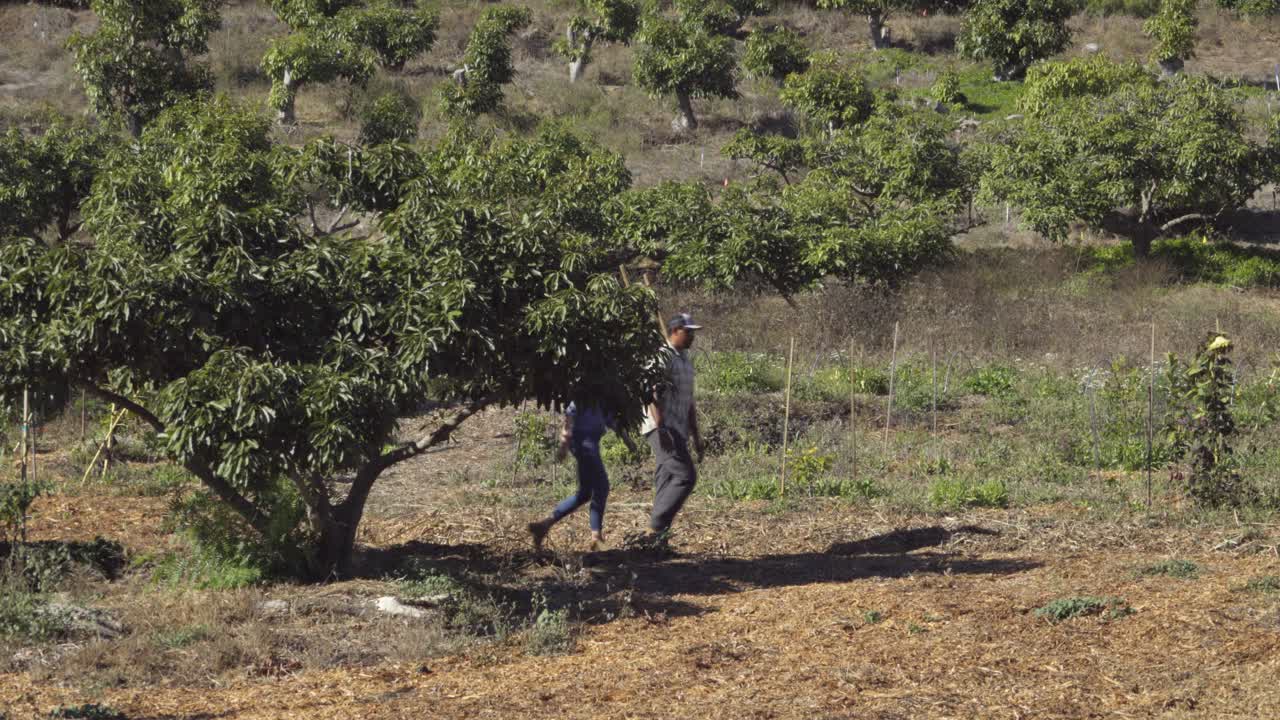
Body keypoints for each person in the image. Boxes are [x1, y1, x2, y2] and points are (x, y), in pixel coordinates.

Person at [527, 396, 632, 552]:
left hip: (590, 443)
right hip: (583, 444)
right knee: (602, 487)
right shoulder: (582, 395)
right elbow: (569, 420)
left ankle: (543, 525)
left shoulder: (603, 395)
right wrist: (564, 444)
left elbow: (611, 420)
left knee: (585, 493)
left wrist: (627, 439)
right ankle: (596, 539)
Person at [640, 313, 705, 536]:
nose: (692, 337)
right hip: (662, 428)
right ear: (675, 331)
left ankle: (657, 543)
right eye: (689, 332)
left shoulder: (685, 361)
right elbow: (650, 391)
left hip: (677, 428)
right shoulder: (663, 356)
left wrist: (695, 435)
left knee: (666, 479)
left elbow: (688, 401)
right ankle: (655, 527)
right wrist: (662, 428)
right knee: (685, 476)